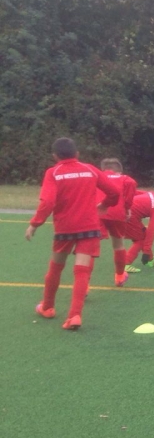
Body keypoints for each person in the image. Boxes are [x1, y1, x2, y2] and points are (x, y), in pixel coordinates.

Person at [25, 137, 120, 330]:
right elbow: (114, 192)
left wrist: (35, 224)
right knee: (82, 271)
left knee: (55, 268)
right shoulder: (90, 169)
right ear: (77, 154)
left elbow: (47, 202)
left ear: (55, 156)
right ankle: (74, 316)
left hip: (65, 228)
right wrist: (105, 204)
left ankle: (47, 307)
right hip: (89, 228)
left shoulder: (53, 172)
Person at [97, 158, 137, 287]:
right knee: (118, 245)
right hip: (117, 212)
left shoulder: (97, 176)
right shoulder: (125, 179)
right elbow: (131, 184)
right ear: (119, 171)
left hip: (97, 212)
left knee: (89, 247)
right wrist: (127, 208)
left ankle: (84, 285)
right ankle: (119, 277)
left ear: (103, 169)